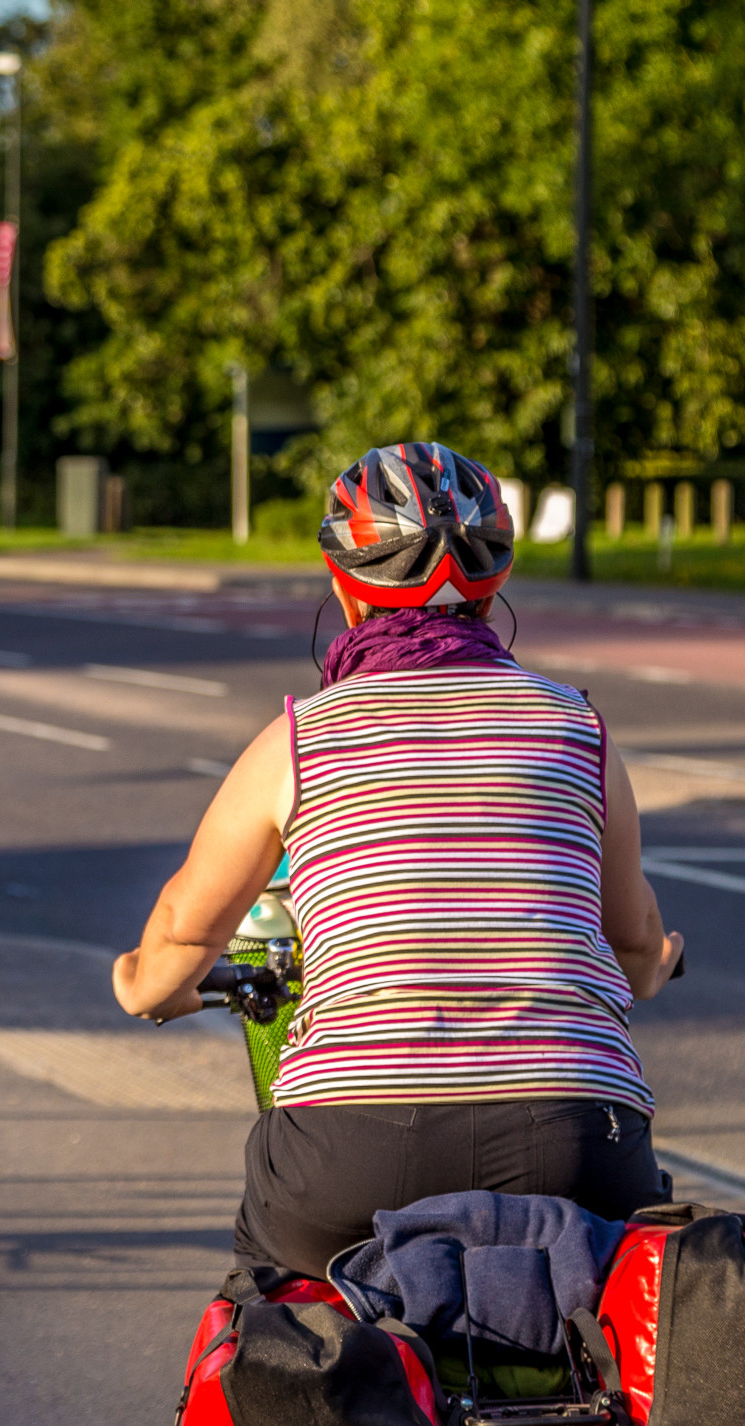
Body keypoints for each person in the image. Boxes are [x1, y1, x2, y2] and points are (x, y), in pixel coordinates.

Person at [113, 441, 685, 1280]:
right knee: (631, 1326)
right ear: (494, 587)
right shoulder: (579, 730)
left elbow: (182, 934)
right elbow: (633, 942)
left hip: (354, 1155)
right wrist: (655, 964)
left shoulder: (297, 743)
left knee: (270, 1302)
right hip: (576, 1142)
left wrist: (144, 987)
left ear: (344, 588)